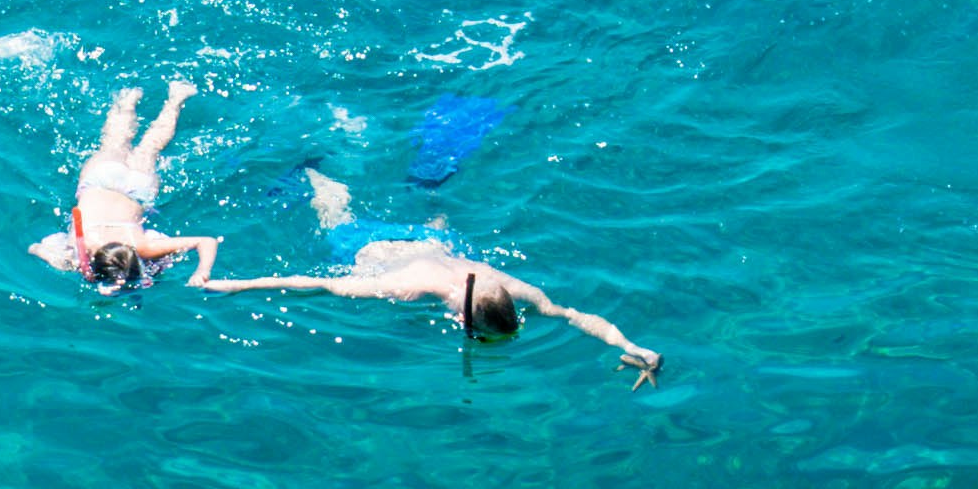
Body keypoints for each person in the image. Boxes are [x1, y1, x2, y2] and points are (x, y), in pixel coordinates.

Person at [200, 167, 659, 381]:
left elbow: (577, 317)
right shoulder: (406, 289)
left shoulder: (506, 287)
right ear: (466, 318)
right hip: (371, 245)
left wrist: (632, 346)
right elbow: (318, 283)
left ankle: (425, 186)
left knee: (435, 226)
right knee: (334, 214)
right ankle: (313, 173)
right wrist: (238, 285)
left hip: (427, 242)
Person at [30, 79, 219, 289]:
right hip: (99, 180)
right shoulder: (79, 249)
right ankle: (131, 98)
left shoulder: (142, 247)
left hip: (138, 189)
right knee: (115, 142)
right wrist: (60, 260)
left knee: (149, 147)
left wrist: (203, 271)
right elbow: (35, 248)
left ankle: (175, 98)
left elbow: (206, 241)